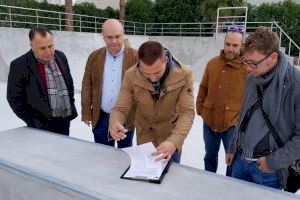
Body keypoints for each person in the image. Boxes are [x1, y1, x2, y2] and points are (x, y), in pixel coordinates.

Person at [226, 27, 300, 190]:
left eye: (253, 63)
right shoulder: (253, 78)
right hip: (239, 160)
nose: (247, 69)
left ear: (273, 57)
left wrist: (273, 162)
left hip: (268, 171)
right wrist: (232, 147)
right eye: (245, 61)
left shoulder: (296, 84)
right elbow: (244, 116)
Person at [109, 41, 195, 163]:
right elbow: (120, 108)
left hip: (170, 137)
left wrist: (174, 141)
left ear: (165, 60)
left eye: (157, 72)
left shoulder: (184, 74)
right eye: (146, 73)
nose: (153, 78)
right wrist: (115, 122)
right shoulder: (130, 75)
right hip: (145, 137)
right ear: (139, 64)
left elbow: (187, 112)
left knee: (170, 178)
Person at [196, 26, 248, 176]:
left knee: (232, 161)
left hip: (232, 125)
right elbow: (203, 87)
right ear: (224, 43)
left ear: (241, 46)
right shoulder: (212, 63)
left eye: (235, 45)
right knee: (209, 157)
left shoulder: (247, 69)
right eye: (228, 44)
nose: (230, 49)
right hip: (210, 122)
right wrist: (201, 109)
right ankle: (208, 184)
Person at [7, 27, 77, 135]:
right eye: (42, 48)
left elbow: (69, 83)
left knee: (63, 151)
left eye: (50, 46)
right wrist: (33, 121)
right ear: (32, 46)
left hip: (64, 119)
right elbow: (14, 98)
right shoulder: (19, 65)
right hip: (40, 126)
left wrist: (71, 103)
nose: (48, 51)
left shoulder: (61, 56)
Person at [81, 19, 138, 148]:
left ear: (123, 34)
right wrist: (86, 111)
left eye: (117, 36)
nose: (114, 41)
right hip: (101, 117)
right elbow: (87, 85)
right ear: (103, 36)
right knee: (103, 156)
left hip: (126, 117)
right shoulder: (94, 57)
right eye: (109, 37)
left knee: (125, 154)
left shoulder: (136, 57)